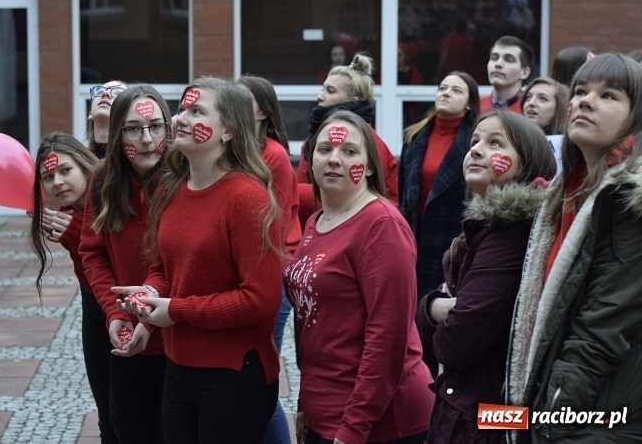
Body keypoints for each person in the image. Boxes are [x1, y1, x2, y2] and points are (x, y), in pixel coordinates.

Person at [112, 76, 284, 444]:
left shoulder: (246, 196)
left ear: (227, 132)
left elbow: (260, 299)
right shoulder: (173, 187)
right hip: (178, 369)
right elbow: (163, 267)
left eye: (197, 111)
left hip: (234, 374)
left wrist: (175, 310)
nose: (180, 119)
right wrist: (147, 295)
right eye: (182, 109)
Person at [507, 53, 642, 442]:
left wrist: (550, 424)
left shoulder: (629, 201)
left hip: (601, 417)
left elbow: (600, 331)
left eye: (608, 95)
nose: (584, 100)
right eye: (580, 91)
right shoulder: (563, 196)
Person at [286, 109, 434, 444]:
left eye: (349, 151)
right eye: (324, 150)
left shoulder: (382, 225)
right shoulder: (315, 222)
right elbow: (313, 327)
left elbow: (388, 336)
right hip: (325, 412)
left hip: (379, 423)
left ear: (369, 166)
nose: (334, 159)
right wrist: (306, 404)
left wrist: (354, 426)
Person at [415, 111, 556, 443]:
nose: (476, 149)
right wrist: (438, 306)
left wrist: (434, 309)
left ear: (527, 163)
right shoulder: (485, 229)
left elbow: (456, 343)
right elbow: (443, 309)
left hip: (481, 419)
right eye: (475, 141)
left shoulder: (509, 232)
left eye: (495, 143)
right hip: (473, 411)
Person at [79, 84, 172, 444]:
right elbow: (93, 252)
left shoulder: (183, 178)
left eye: (156, 126)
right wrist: (114, 313)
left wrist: (148, 315)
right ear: (117, 133)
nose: (147, 139)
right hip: (125, 339)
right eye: (134, 128)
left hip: (176, 339)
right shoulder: (103, 178)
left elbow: (172, 260)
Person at [28, 132, 119, 444]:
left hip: (122, 306)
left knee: (127, 413)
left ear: (85, 166)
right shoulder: (64, 212)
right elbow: (88, 270)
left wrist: (74, 233)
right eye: (48, 176)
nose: (58, 183)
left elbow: (118, 260)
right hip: (92, 304)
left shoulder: (112, 195)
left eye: (65, 171)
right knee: (106, 413)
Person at [398, 71, 481, 376]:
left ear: (469, 104)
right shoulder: (415, 136)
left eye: (455, 90)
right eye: (442, 87)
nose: (445, 92)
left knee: (438, 328)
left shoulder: (474, 144)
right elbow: (405, 191)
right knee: (410, 323)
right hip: (413, 244)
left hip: (449, 245)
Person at [237, 74, 301, 444]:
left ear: (262, 111)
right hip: (252, 272)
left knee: (260, 377)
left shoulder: (272, 154)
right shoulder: (240, 150)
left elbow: (269, 223)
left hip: (271, 273)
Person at [298, 53, 399, 230]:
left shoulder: (370, 142)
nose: (320, 97)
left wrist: (290, 193)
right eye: (324, 150)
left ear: (353, 101)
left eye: (330, 91)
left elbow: (365, 197)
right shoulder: (314, 137)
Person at [482, 35, 534, 112]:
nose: (498, 64)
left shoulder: (530, 110)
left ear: (524, 72)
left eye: (509, 60)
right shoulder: (474, 106)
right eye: (494, 58)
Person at [87, 80, 127, 158]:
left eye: (118, 94)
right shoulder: (78, 161)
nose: (105, 93)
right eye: (100, 92)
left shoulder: (136, 163)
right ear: (90, 113)